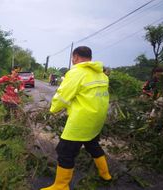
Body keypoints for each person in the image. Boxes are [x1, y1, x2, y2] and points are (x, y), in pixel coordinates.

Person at [41, 46, 111, 190]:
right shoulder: (102, 75)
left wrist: (53, 109)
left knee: (65, 152)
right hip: (96, 120)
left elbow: (63, 96)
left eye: (73, 58)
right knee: (93, 145)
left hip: (81, 121)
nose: (73, 60)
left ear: (76, 57)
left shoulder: (76, 72)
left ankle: (61, 186)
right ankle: (105, 174)